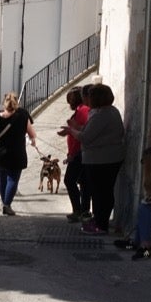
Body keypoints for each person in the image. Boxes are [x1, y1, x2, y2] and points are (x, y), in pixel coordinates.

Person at [69, 83, 126, 235]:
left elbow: (86, 137)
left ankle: (101, 225)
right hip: (104, 158)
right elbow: (92, 132)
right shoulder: (107, 112)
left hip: (102, 159)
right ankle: (100, 221)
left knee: (101, 193)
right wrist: (77, 128)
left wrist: (71, 131)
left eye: (88, 96)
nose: (85, 99)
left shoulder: (102, 114)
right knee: (102, 192)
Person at [0, 91, 37, 215]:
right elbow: (32, 133)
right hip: (17, 154)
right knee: (13, 180)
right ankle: (7, 204)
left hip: (0, 154)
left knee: (2, 178)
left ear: (3, 104)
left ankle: (4, 202)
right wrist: (33, 141)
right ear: (17, 103)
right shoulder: (23, 114)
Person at [57, 87, 91, 223]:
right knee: (83, 182)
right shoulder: (80, 110)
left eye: (70, 99)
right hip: (77, 152)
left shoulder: (82, 111)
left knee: (69, 180)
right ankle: (84, 211)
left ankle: (79, 210)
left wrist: (73, 153)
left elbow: (82, 133)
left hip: (79, 153)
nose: (68, 102)